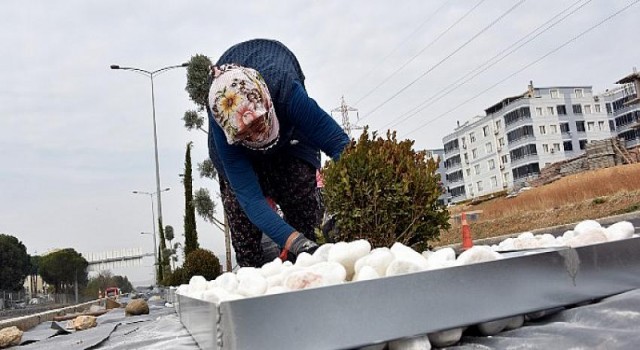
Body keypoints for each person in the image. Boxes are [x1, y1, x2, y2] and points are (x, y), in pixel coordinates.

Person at [206, 39, 350, 268]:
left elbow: (339, 144)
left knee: (304, 213)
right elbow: (251, 199)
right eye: (245, 133)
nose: (255, 136)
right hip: (241, 158)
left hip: (290, 140)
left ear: (264, 100)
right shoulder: (224, 131)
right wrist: (296, 243)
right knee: (245, 236)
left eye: (257, 125)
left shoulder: (286, 92)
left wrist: (357, 198)